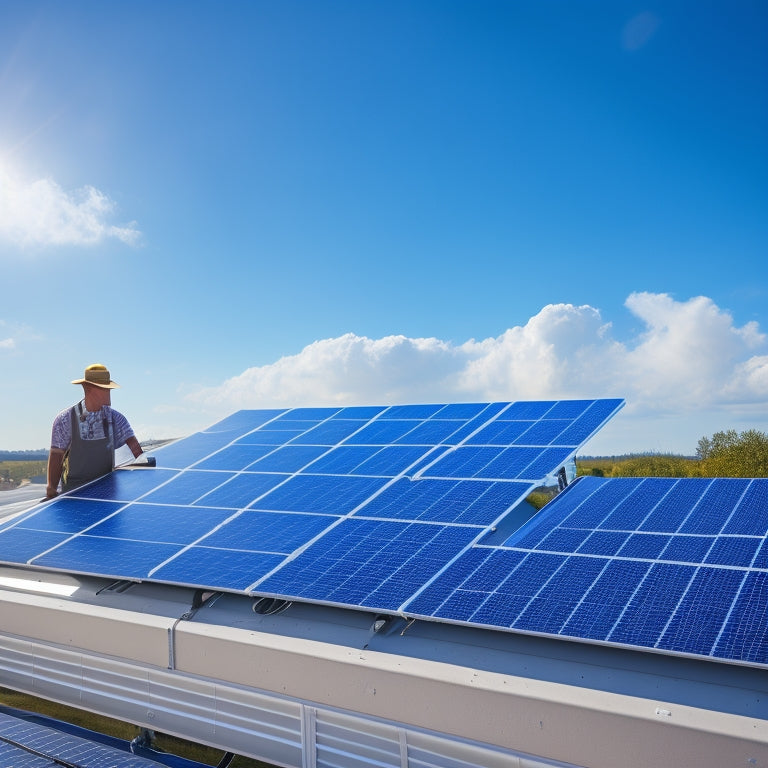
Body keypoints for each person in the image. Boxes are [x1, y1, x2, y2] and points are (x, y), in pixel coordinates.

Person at [46, 364, 143, 498]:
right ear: (89, 388)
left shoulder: (117, 419)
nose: (109, 392)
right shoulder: (64, 420)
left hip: (107, 491)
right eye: (104, 389)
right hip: (73, 495)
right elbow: (56, 456)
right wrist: (51, 491)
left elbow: (136, 452)